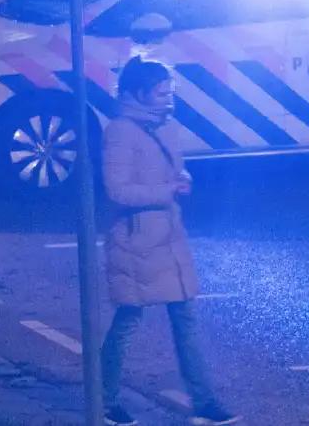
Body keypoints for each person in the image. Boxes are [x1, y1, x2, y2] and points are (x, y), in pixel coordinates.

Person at [99, 56, 239, 426]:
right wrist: (166, 190)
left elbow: (170, 169)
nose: (168, 98)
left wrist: (181, 178)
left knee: (186, 320)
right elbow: (117, 190)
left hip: (170, 239)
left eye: (170, 91)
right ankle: (105, 401)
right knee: (128, 321)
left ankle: (205, 401)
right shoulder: (120, 131)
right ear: (139, 93)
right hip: (136, 242)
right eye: (161, 92)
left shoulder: (165, 126)